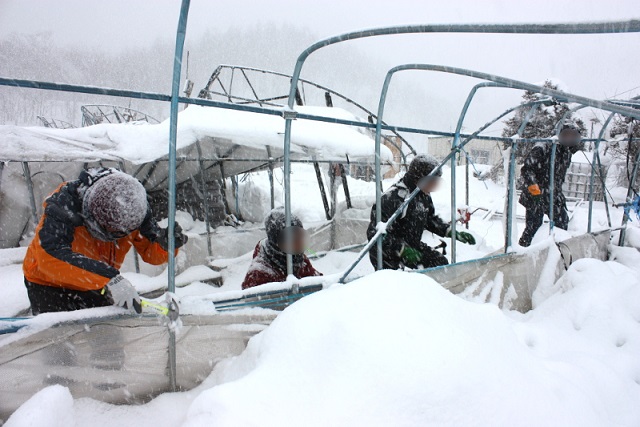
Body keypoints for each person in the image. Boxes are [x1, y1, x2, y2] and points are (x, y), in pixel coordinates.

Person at [22, 168, 188, 314]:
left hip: (95, 283)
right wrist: (110, 278)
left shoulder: (133, 206)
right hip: (49, 285)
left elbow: (151, 252)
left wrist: (165, 245)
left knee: (108, 339)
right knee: (60, 343)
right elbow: (50, 258)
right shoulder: (65, 204)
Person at [366, 154, 476, 270]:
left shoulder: (422, 195)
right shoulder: (394, 198)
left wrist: (450, 232)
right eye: (432, 182)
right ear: (419, 178)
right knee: (398, 281)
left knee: (439, 263)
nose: (433, 186)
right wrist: (402, 249)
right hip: (387, 254)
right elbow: (375, 233)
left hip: (412, 246)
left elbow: (429, 219)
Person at [518, 124, 583, 247]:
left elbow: (558, 176)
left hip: (553, 194)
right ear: (559, 135)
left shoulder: (566, 152)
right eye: (566, 135)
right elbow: (527, 170)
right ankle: (523, 252)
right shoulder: (543, 148)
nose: (569, 139)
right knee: (533, 228)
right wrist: (535, 191)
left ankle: (555, 249)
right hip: (535, 196)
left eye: (573, 137)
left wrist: (556, 193)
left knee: (562, 221)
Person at [242, 208, 322, 289]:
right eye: (293, 239)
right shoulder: (258, 274)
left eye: (300, 237)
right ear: (276, 243)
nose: (300, 243)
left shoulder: (298, 259)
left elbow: (319, 282)